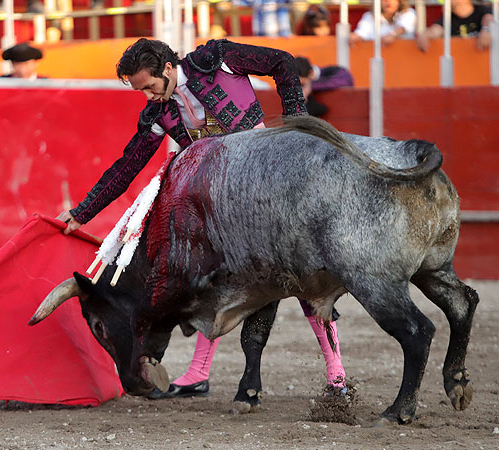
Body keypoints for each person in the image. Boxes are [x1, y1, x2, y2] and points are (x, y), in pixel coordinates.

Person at [57, 38, 346, 399]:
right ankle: (197, 372)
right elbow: (127, 166)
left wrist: (299, 127)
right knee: (211, 283)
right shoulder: (159, 113)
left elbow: (284, 63)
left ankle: (337, 374)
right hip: (219, 210)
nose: (148, 96)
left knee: (303, 275)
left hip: (267, 186)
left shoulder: (217, 59)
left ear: (166, 68)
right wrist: (81, 213)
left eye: (149, 86)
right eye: (140, 91)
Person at [417, 0, 492, 52]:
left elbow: (489, 19)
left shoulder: (483, 10)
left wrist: (486, 30)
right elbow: (436, 29)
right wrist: (425, 35)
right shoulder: (448, 18)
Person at [350, 0, 417, 45]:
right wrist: (353, 37)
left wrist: (392, 35)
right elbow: (361, 33)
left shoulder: (409, 13)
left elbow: (403, 27)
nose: (388, 1)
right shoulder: (369, 16)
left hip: (402, 60)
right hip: (374, 60)